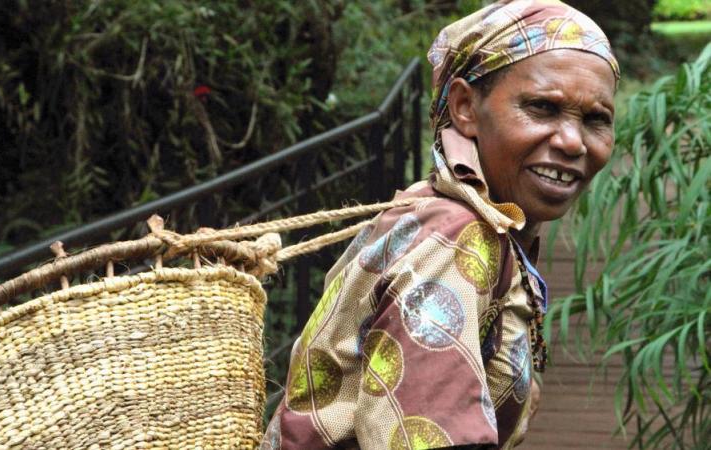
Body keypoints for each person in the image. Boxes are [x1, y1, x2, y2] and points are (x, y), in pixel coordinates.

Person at [261, 1, 619, 448]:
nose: (572, 141)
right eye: (542, 108)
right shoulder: (454, 240)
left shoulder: (463, 219)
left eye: (595, 120)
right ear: (466, 106)